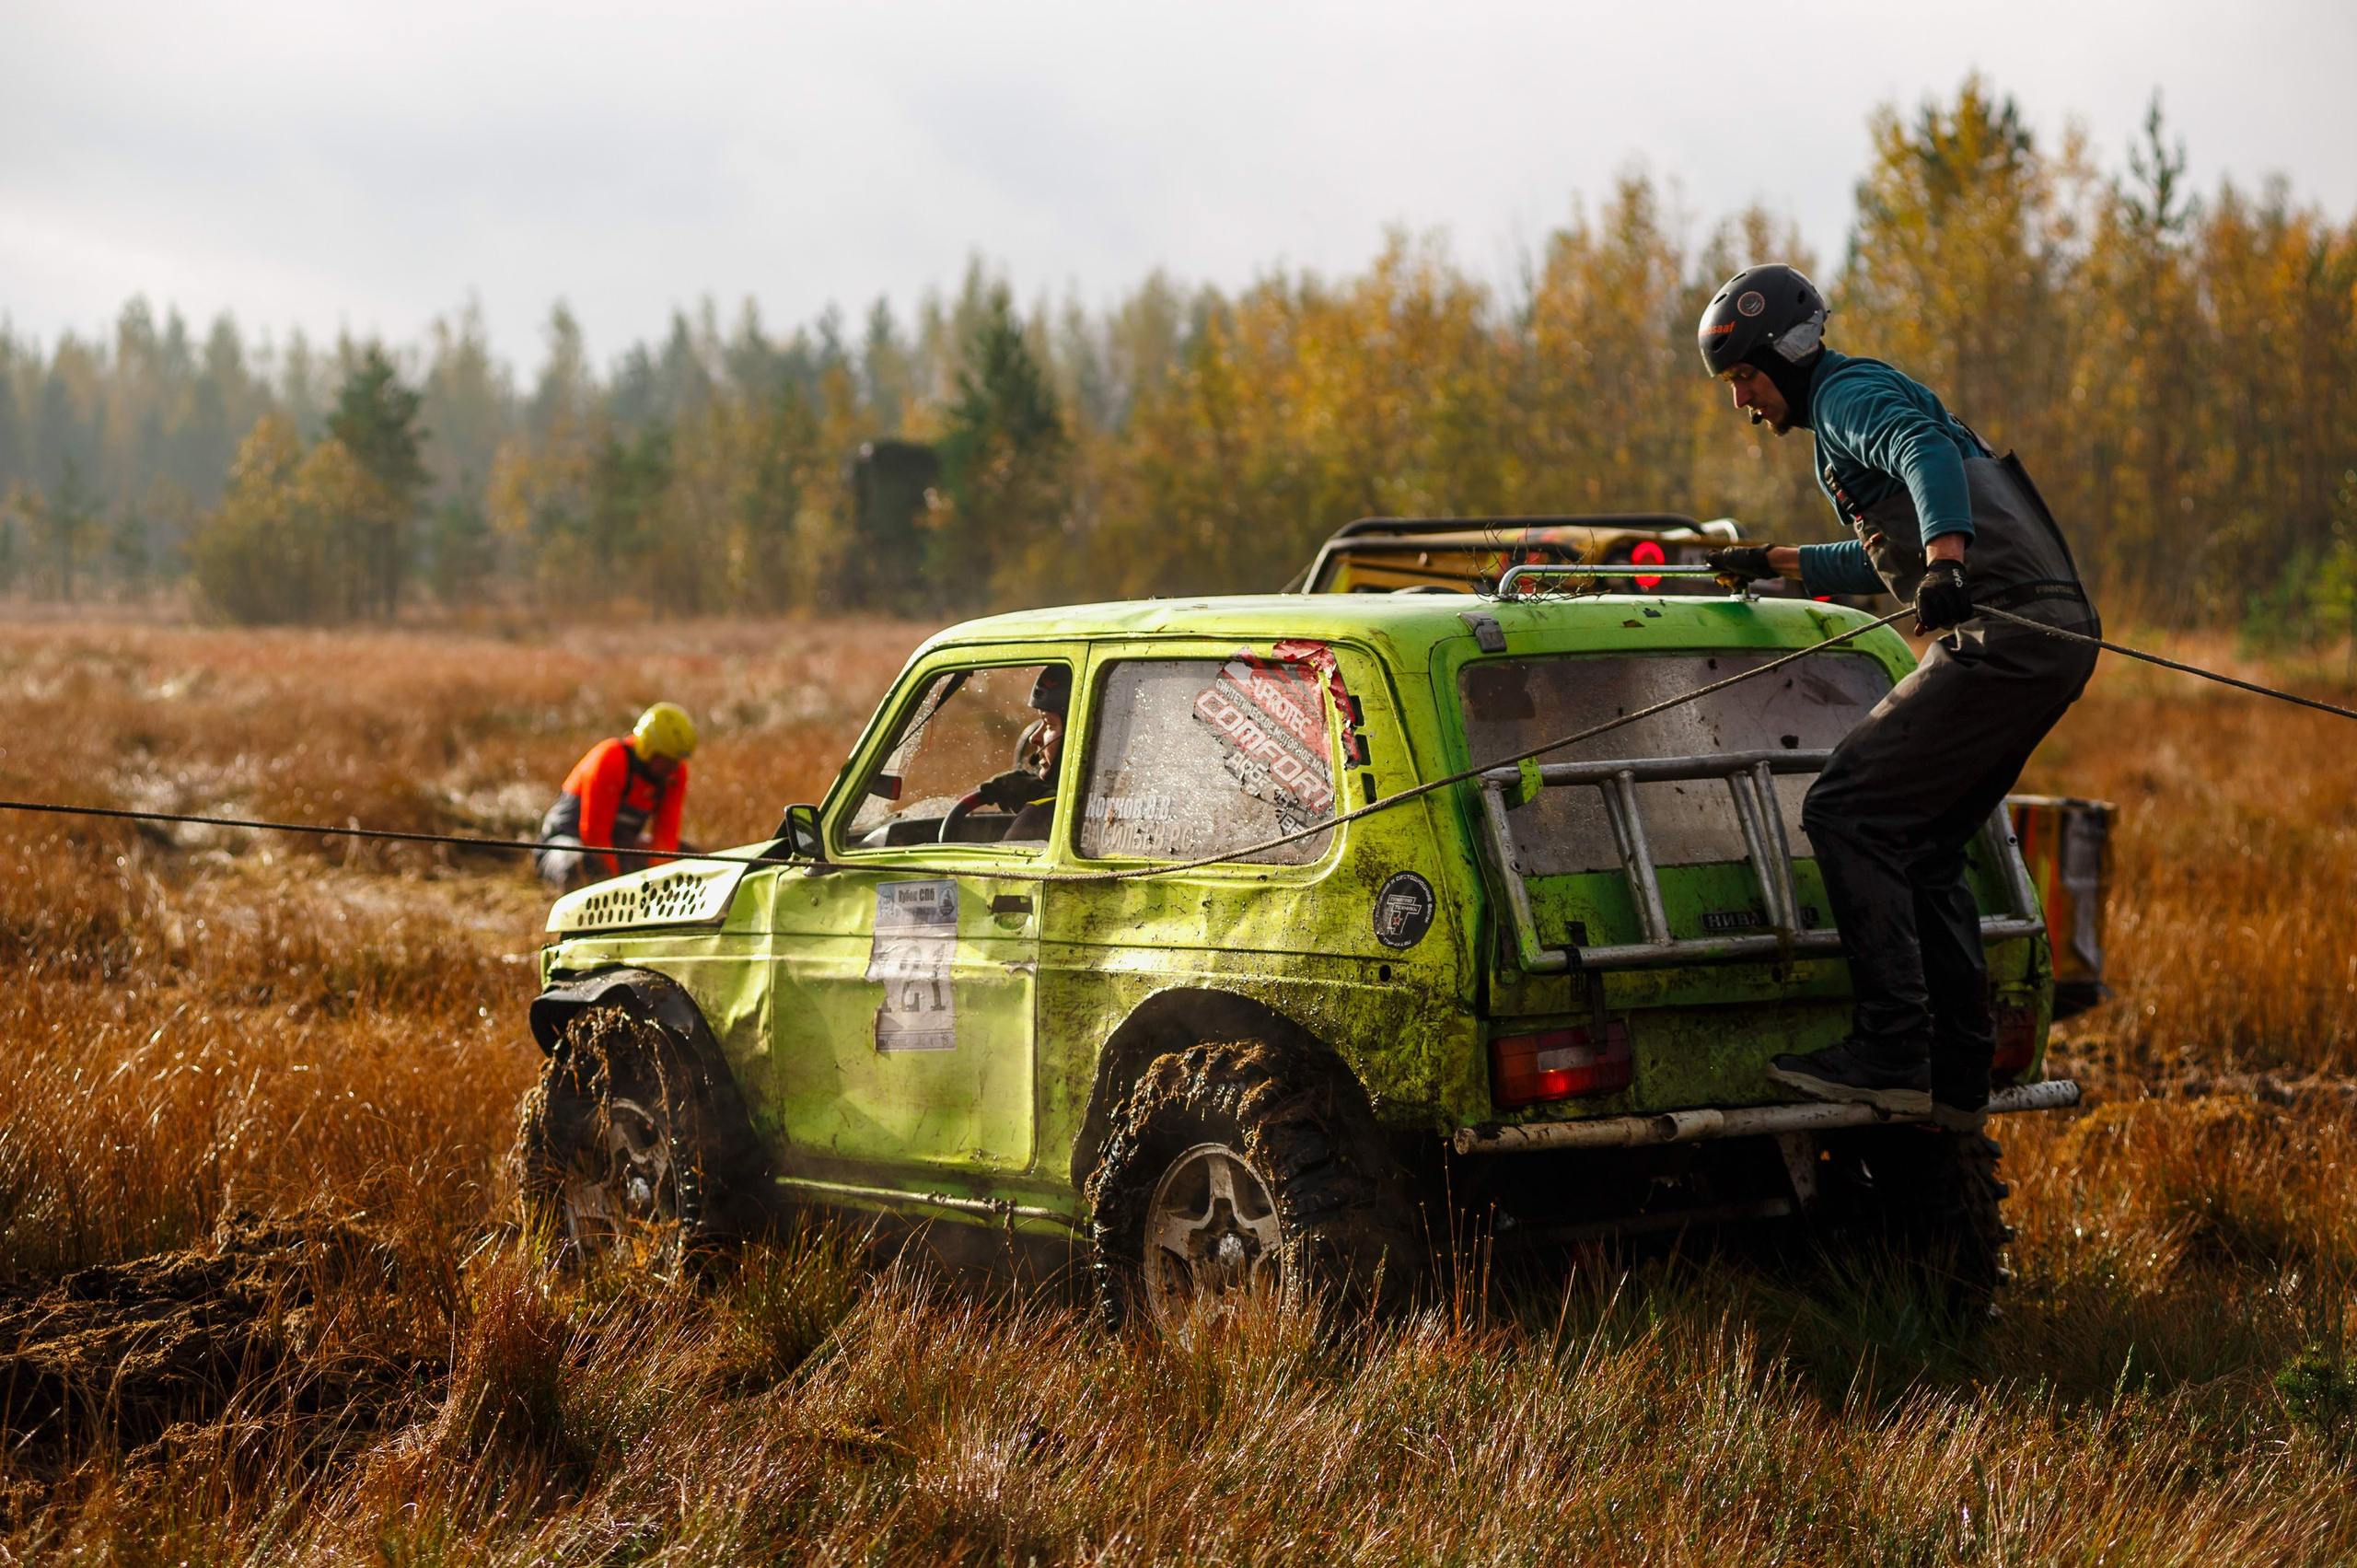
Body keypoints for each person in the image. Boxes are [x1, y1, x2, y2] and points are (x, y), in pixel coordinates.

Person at [1695, 264, 2100, 1132]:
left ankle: (1890, 1047)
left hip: (2006, 632)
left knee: (1844, 809)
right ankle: (1956, 1077)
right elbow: (1888, 558)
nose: (1741, 403)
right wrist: (1771, 564)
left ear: (1781, 357)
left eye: (1741, 380)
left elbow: (1927, 459)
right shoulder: (1847, 412)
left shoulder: (1846, 395)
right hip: (2049, 631)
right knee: (1923, 848)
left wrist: (1951, 565)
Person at [536, 703, 696, 889]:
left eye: (677, 760)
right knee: (579, 867)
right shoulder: (611, 758)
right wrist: (615, 888)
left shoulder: (674, 773)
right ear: (649, 749)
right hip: (568, 842)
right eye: (668, 760)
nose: (674, 768)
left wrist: (660, 886)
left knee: (688, 858)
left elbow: (665, 840)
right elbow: (594, 836)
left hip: (617, 847)